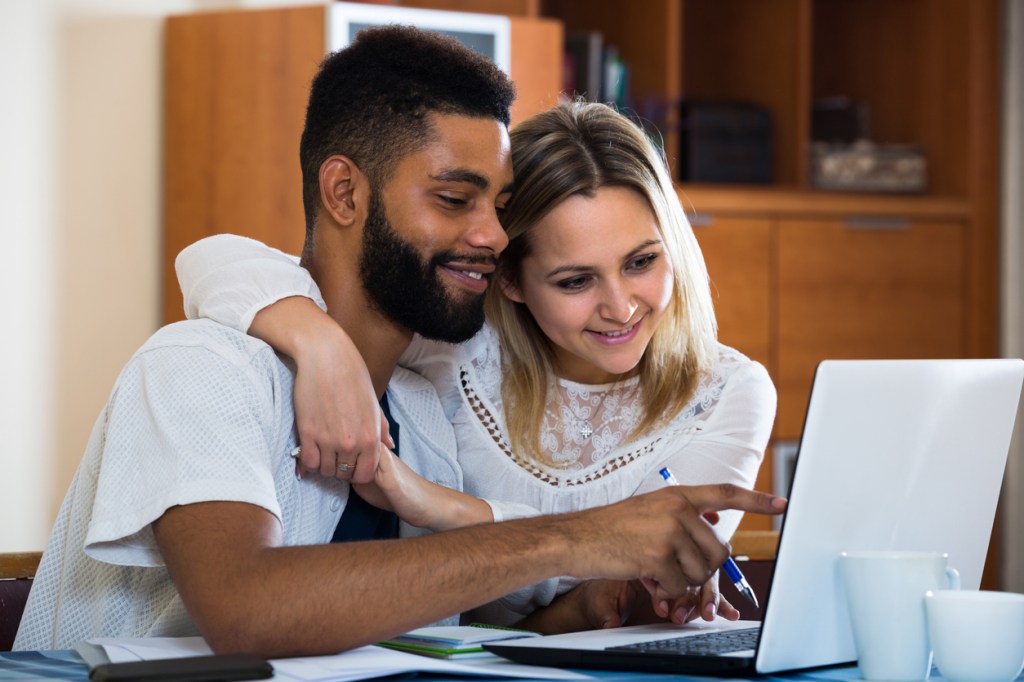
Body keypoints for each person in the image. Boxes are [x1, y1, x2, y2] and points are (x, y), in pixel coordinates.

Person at [14, 28, 785, 656]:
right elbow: (247, 613)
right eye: (455, 199)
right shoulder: (203, 370)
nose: (491, 236)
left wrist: (593, 604)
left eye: (500, 205)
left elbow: (455, 640)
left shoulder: (421, 411)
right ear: (344, 192)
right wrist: (573, 540)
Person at [173, 102, 777, 628]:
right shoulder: (454, 342)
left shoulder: (728, 391)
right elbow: (212, 262)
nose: (620, 307)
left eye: (642, 261)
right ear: (511, 279)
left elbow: (611, 601)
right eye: (575, 280)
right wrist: (319, 344)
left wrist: (437, 505)